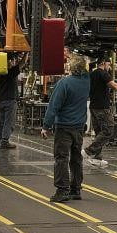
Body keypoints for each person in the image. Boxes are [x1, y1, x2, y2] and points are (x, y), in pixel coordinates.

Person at [41, 53, 90, 203]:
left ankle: (62, 190)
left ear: (71, 67)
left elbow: (53, 106)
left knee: (61, 158)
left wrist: (46, 126)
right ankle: (76, 189)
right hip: (79, 127)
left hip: (64, 127)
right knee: (76, 158)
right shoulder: (87, 82)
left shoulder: (64, 83)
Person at [83, 57, 117, 167]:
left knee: (99, 132)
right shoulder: (103, 73)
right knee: (108, 129)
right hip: (102, 107)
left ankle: (97, 158)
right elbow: (114, 86)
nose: (109, 67)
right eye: (108, 64)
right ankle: (88, 151)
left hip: (93, 106)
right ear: (103, 63)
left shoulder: (92, 74)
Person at [0, 53, 25, 150]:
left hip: (1, 100)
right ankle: (4, 142)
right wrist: (27, 53)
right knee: (9, 122)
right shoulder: (10, 72)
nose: (12, 62)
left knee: (1, 122)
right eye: (11, 61)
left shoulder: (0, 74)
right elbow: (22, 63)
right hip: (10, 101)